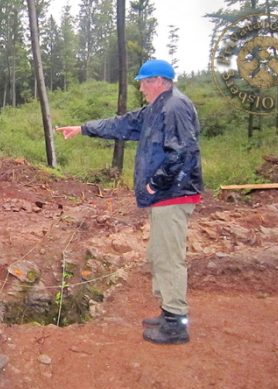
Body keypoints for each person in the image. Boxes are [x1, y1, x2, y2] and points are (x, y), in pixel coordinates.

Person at [56, 59, 203, 345]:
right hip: (166, 196)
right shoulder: (158, 108)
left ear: (158, 81)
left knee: (169, 257)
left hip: (172, 194)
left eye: (143, 82)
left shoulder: (174, 107)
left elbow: (183, 153)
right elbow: (123, 124)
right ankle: (169, 312)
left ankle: (175, 323)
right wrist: (84, 128)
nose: (140, 87)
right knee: (159, 254)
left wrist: (154, 183)